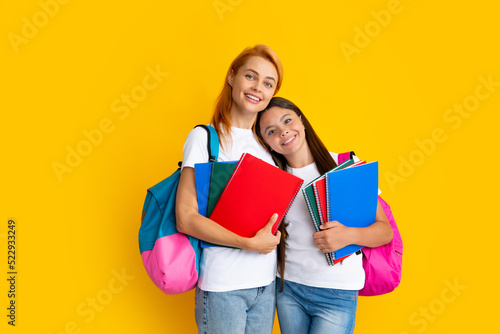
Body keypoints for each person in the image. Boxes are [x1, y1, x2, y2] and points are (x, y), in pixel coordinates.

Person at [255, 97, 394, 334]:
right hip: (288, 290)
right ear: (267, 144)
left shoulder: (346, 166)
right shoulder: (273, 181)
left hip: (337, 293)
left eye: (287, 120)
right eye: (271, 131)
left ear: (302, 120)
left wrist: (347, 235)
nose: (284, 132)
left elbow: (385, 232)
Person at [175, 45, 284, 334]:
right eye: (251, 76)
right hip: (223, 287)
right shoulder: (205, 139)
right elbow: (185, 218)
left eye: (268, 83)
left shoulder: (269, 147)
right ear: (232, 76)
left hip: (265, 286)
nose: (257, 87)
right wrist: (247, 243)